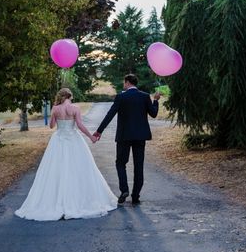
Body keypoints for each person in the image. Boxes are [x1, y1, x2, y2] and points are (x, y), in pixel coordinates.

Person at [14, 88, 118, 221]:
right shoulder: (75, 108)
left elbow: (51, 126)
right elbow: (79, 125)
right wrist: (91, 137)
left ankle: (55, 200)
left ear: (61, 96)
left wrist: (54, 114)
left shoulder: (56, 109)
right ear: (70, 96)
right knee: (79, 168)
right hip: (73, 139)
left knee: (56, 168)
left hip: (58, 139)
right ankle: (78, 200)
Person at [93, 74, 161, 205]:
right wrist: (156, 100)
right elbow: (153, 113)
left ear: (128, 82)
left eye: (124, 82)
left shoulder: (121, 97)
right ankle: (136, 196)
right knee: (138, 166)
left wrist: (99, 131)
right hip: (140, 136)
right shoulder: (145, 96)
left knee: (120, 163)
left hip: (124, 136)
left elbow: (110, 115)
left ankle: (124, 190)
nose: (123, 85)